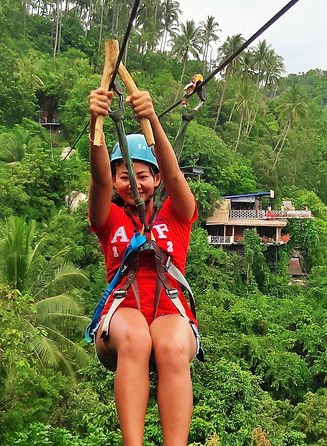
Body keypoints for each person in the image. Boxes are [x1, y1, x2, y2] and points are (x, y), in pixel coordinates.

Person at [87, 87, 200, 446]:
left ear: (155, 180)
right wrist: (97, 125)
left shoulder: (176, 216)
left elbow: (176, 175)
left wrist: (151, 118)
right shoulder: (110, 220)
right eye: (125, 175)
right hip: (123, 312)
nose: (134, 182)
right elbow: (100, 180)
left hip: (169, 310)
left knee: (170, 347)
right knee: (136, 336)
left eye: (142, 175)